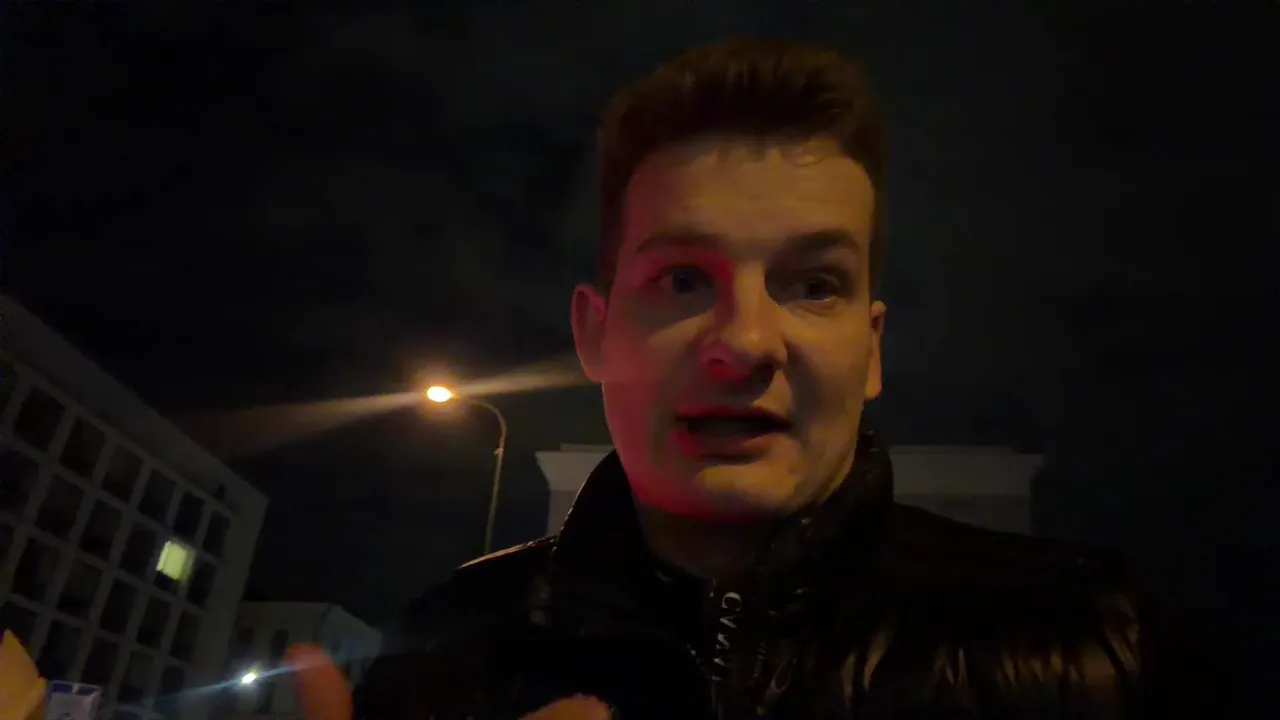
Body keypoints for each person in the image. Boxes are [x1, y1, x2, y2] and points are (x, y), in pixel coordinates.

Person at [302, 38, 1213, 719]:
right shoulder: (442, 652)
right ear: (595, 332)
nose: (744, 343)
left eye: (813, 285)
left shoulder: (1101, 650)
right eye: (681, 280)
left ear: (871, 349)